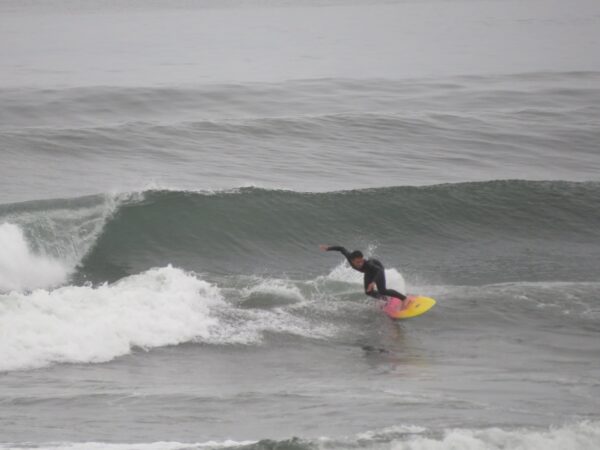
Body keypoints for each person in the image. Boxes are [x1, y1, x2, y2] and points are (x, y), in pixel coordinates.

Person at [319, 245, 410, 308]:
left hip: (378, 269)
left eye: (361, 261)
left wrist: (373, 282)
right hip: (368, 272)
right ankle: (385, 299)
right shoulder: (349, 257)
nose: (360, 264)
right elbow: (341, 249)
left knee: (382, 290)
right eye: (358, 262)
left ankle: (404, 298)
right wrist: (328, 248)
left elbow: (379, 271)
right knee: (368, 292)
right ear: (352, 260)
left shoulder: (368, 264)